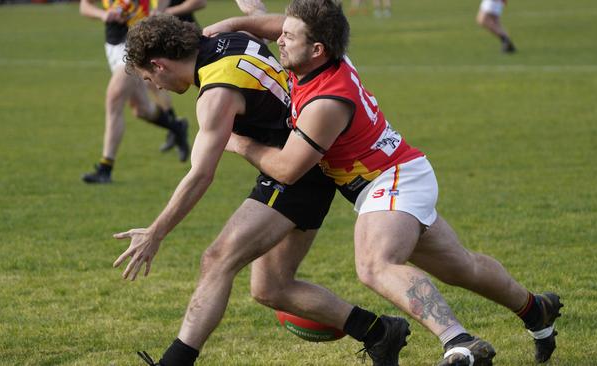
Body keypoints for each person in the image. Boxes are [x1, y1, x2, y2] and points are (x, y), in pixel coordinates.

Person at [206, 0, 562, 364]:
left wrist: (239, 142)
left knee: (375, 262)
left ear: (316, 49)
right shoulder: (320, 58)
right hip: (396, 174)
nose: (279, 39)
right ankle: (536, 309)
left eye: (288, 37)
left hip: (392, 179)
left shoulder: (328, 98)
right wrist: (235, 21)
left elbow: (286, 168)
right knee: (461, 267)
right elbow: (281, 25)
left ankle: (459, 341)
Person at [114, 14, 412, 366]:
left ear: (159, 64)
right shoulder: (232, 39)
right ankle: (379, 332)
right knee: (271, 287)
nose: (157, 87)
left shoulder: (216, 96)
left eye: (151, 79)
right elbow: (262, 23)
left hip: (294, 174)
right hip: (309, 162)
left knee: (217, 259)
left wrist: (155, 232)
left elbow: (200, 175)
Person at [78, 0, 205, 184]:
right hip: (112, 44)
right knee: (141, 109)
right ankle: (176, 127)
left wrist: (159, 10)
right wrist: (103, 15)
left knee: (114, 98)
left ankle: (105, 167)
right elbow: (84, 6)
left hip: (134, 42)